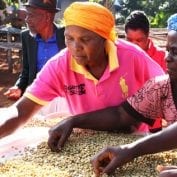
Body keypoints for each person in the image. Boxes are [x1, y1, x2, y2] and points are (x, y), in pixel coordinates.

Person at [0, 2, 164, 151]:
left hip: (132, 143)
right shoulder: (59, 65)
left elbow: (164, 90)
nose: (75, 47)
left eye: (85, 39)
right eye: (69, 38)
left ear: (104, 39)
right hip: (83, 144)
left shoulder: (132, 56)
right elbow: (21, 111)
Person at [91, 13, 177, 177]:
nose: (167, 58)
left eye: (175, 52)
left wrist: (132, 150)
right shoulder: (163, 86)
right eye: (167, 50)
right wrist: (73, 121)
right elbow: (121, 114)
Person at [4, 0, 65, 100]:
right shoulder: (26, 37)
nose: (27, 20)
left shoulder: (66, 37)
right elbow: (26, 71)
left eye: (31, 15)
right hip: (37, 99)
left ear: (48, 17)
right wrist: (19, 87)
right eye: (26, 15)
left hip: (63, 98)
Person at [125, 10, 167, 132]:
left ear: (148, 36)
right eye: (129, 40)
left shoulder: (163, 57)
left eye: (139, 40)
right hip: (127, 121)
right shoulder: (120, 55)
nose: (134, 46)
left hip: (153, 123)